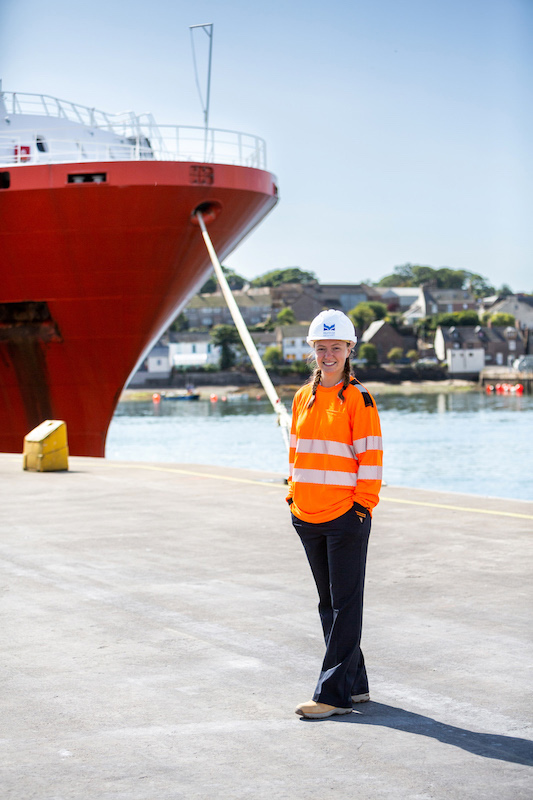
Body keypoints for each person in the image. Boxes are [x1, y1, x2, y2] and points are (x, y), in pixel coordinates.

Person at [286, 309, 383, 719]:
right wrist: (291, 496)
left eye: (336, 348)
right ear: (313, 351)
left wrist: (361, 508)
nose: (328, 355)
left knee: (345, 605)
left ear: (349, 350)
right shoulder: (302, 398)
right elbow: (294, 452)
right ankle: (355, 685)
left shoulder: (358, 398)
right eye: (321, 348)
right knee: (328, 605)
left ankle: (333, 696)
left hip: (345, 516)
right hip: (306, 515)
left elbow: (371, 459)